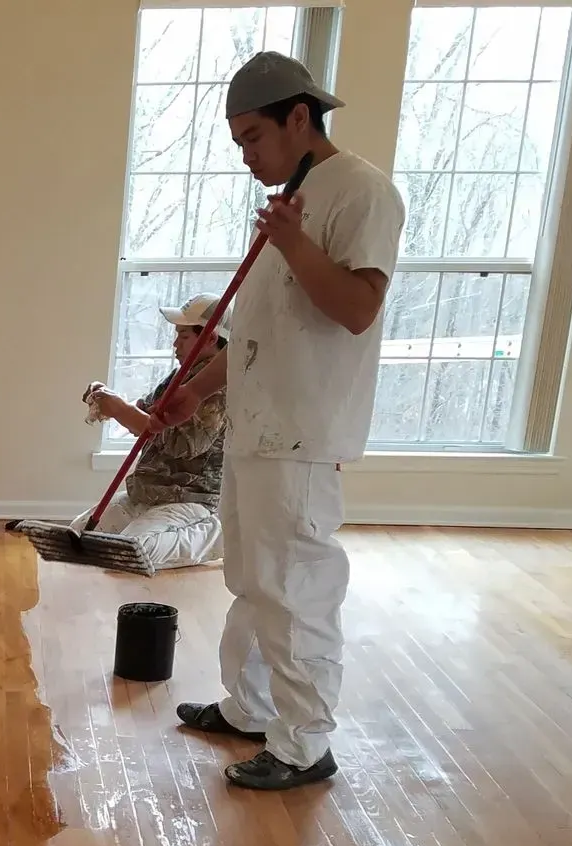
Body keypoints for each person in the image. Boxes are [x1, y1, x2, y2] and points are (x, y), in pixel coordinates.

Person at [146, 53, 406, 792]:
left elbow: (357, 308)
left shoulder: (361, 191)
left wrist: (293, 242)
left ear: (300, 117)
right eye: (237, 143)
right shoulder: (295, 197)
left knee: (293, 589)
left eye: (253, 137)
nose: (246, 156)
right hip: (256, 427)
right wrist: (198, 389)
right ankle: (251, 708)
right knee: (253, 579)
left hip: (300, 431)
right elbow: (262, 331)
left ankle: (303, 745)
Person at [77, 295, 230, 573]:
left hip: (187, 499)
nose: (175, 344)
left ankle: (216, 534)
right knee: (78, 536)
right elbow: (143, 420)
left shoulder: (217, 388)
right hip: (147, 492)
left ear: (210, 338)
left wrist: (121, 409)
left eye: (183, 336)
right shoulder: (177, 378)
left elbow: (183, 444)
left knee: (129, 553)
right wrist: (108, 400)